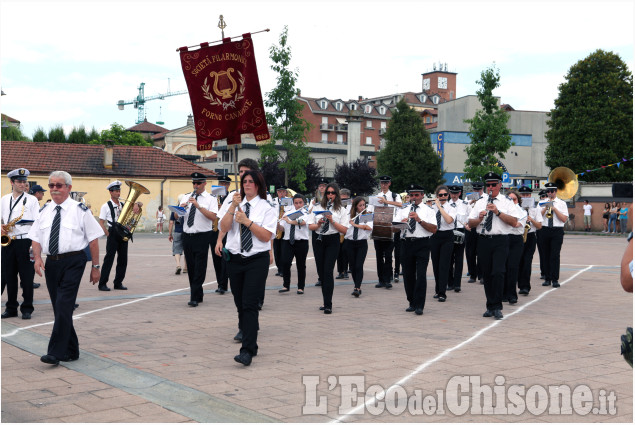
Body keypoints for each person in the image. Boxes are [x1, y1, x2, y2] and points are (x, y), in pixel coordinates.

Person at [28, 171, 104, 365]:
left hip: (74, 261)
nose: (54, 189)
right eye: (51, 185)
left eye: (59, 185)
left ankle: (56, 353)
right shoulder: (44, 210)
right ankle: (72, 350)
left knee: (63, 305)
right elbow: (36, 237)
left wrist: (95, 266)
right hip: (52, 262)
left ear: (68, 188)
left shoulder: (80, 210)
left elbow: (93, 239)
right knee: (59, 308)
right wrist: (37, 258)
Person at [218, 170, 276, 366]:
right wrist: (233, 207)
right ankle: (251, 340)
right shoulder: (233, 202)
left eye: (251, 182)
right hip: (235, 258)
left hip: (256, 259)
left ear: (258, 185)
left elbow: (266, 236)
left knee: (250, 304)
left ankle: (247, 350)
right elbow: (224, 228)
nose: (247, 185)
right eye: (244, 182)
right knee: (239, 302)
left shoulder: (267, 207)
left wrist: (247, 222)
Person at [467, 172, 521, 320]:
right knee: (487, 274)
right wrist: (479, 218)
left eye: (493, 185)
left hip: (500, 240)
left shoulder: (506, 202)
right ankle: (490, 305)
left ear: (499, 185)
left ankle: (497, 306)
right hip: (483, 239)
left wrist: (497, 212)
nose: (490, 188)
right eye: (488, 185)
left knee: (498, 272)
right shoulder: (480, 202)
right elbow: (470, 224)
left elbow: (514, 221)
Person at [1, 168, 40, 320]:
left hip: (25, 241)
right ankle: (11, 308)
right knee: (9, 276)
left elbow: (37, 222)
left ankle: (27, 308)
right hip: (9, 241)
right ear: (12, 182)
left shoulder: (32, 200)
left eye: (25, 182)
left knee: (27, 277)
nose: (23, 184)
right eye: (19, 182)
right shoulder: (4, 199)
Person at [308, 183, 349, 314]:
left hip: (333, 239)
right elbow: (310, 226)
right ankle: (325, 300)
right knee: (321, 272)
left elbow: (344, 230)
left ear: (336, 194)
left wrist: (332, 221)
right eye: (328, 193)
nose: (330, 195)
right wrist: (318, 223)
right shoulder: (317, 207)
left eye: (332, 193)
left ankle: (328, 304)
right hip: (318, 238)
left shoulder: (341, 210)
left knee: (328, 271)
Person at [396, 184, 437, 315]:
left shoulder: (428, 210)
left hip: (422, 244)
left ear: (422, 195)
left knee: (421, 275)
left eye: (416, 195)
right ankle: (411, 302)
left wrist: (419, 220)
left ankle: (420, 305)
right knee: (408, 275)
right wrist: (401, 224)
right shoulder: (403, 209)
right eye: (411, 195)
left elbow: (434, 229)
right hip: (406, 243)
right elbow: (393, 228)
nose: (414, 198)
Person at [181, 172, 218, 307]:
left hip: (202, 235)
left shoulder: (210, 198)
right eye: (194, 183)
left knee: (200, 267)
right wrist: (180, 209)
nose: (195, 186)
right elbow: (177, 215)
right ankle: (198, 293)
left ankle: (194, 296)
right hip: (187, 235)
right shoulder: (186, 196)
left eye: (198, 183)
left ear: (204, 184)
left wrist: (198, 206)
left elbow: (213, 217)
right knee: (191, 267)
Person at [370, 175, 402, 289]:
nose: (383, 185)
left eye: (386, 183)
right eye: (382, 183)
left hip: (390, 228)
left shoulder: (394, 196)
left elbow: (400, 204)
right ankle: (381, 279)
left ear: (389, 184)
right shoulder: (376, 196)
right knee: (379, 256)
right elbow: (370, 209)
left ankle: (388, 279)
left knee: (388, 255)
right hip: (379, 226)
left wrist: (386, 201)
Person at [97, 181, 129, 291]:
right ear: (111, 192)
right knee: (109, 259)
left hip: (123, 232)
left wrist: (137, 205)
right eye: (116, 191)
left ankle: (118, 282)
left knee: (123, 259)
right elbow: (101, 222)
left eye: (119, 191)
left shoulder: (123, 205)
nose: (118, 193)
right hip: (113, 233)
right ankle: (102, 283)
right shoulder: (106, 206)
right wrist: (107, 233)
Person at [278, 194, 310, 294]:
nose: (298, 205)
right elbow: (282, 228)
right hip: (287, 241)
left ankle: (301, 287)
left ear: (303, 203)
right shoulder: (287, 213)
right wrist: (277, 224)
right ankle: (286, 285)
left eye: (300, 202)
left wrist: (289, 221)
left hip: (301, 242)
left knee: (301, 265)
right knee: (285, 262)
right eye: (296, 203)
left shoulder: (306, 213)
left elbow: (302, 222)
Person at [539, 181, 569, 288]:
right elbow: (538, 217)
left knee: (555, 255)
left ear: (555, 192)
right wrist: (545, 208)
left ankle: (555, 279)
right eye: (548, 191)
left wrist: (555, 209)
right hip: (544, 230)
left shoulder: (562, 203)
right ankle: (547, 278)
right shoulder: (542, 202)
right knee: (545, 255)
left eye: (552, 191)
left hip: (557, 230)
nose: (550, 193)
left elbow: (564, 219)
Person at [430, 185, 456, 302]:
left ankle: (442, 292)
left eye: (445, 195)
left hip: (447, 236)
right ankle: (437, 289)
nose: (443, 197)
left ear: (448, 195)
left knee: (444, 264)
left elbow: (449, 220)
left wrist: (440, 207)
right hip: (435, 236)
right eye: (440, 195)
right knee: (436, 265)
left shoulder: (451, 207)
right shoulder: (431, 207)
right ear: (437, 196)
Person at [517, 186, 543, 296]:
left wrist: (531, 219)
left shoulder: (535, 209)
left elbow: (540, 226)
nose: (525, 197)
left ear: (530, 196)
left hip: (530, 236)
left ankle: (525, 286)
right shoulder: (516, 208)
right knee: (518, 261)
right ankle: (518, 283)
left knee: (527, 262)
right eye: (523, 195)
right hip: (518, 235)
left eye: (527, 195)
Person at [345, 197, 373, 297]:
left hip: (361, 243)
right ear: (355, 206)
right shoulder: (348, 215)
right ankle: (356, 285)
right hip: (349, 243)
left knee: (358, 265)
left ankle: (357, 287)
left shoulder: (367, 216)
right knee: (352, 266)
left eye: (363, 205)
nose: (362, 207)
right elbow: (344, 228)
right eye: (360, 205)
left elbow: (368, 227)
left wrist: (355, 225)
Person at [503, 189, 525, 305]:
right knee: (503, 267)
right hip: (505, 238)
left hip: (516, 240)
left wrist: (506, 218)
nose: (512, 201)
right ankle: (503, 293)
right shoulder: (504, 211)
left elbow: (515, 224)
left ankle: (512, 295)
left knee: (512, 267)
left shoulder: (522, 212)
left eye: (514, 199)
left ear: (518, 200)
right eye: (509, 199)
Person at [210, 175, 231, 293]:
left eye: (225, 184)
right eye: (221, 183)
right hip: (214, 230)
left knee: (225, 258)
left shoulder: (231, 197)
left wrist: (222, 208)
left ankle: (224, 284)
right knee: (216, 258)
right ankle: (220, 283)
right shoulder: (212, 197)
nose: (222, 185)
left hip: (226, 231)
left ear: (228, 185)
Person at [447, 185, 469, 293]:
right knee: (449, 258)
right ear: (450, 193)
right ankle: (449, 283)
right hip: (449, 231)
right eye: (452, 193)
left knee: (459, 259)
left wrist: (468, 224)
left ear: (459, 193)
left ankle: (457, 284)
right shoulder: (446, 205)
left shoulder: (465, 204)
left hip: (460, 231)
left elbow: (469, 217)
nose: (454, 195)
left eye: (456, 193)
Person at [308, 177, 328, 287]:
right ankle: (321, 277)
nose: (322, 188)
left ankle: (326, 276)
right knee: (318, 257)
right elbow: (309, 212)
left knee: (327, 257)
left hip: (328, 230)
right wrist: (313, 205)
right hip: (317, 229)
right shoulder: (314, 200)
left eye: (324, 186)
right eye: (320, 186)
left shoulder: (331, 198)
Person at [465, 181, 484, 283]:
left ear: (482, 189)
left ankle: (482, 275)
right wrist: (471, 202)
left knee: (481, 252)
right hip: (470, 227)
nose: (477, 191)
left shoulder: (486, 198)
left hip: (481, 227)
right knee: (470, 252)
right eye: (475, 190)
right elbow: (463, 213)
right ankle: (472, 274)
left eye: (479, 190)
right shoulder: (468, 198)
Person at [272, 185, 289, 277]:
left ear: (285, 192)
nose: (281, 194)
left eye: (283, 192)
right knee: (277, 250)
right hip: (275, 228)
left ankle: (283, 269)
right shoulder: (273, 201)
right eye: (279, 192)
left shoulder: (289, 201)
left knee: (284, 250)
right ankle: (279, 268)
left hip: (285, 227)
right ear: (277, 192)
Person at [336, 188, 352, 280]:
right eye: (342, 199)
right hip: (339, 231)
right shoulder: (336, 206)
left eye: (345, 199)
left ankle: (345, 271)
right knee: (339, 252)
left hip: (348, 232)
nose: (343, 201)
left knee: (346, 252)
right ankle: (340, 271)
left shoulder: (351, 206)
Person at [167, 197, 185, 275]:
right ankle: (186, 267)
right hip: (186, 232)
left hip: (177, 232)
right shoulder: (187, 209)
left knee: (177, 249)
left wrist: (170, 234)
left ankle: (178, 265)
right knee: (187, 250)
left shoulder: (174, 210)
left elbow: (171, 223)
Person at [536, 190, 549, 280]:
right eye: (542, 197)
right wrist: (546, 207)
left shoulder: (553, 202)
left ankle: (550, 271)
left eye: (545, 196)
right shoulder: (539, 204)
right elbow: (539, 215)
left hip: (551, 228)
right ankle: (543, 272)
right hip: (541, 228)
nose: (544, 198)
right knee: (542, 252)